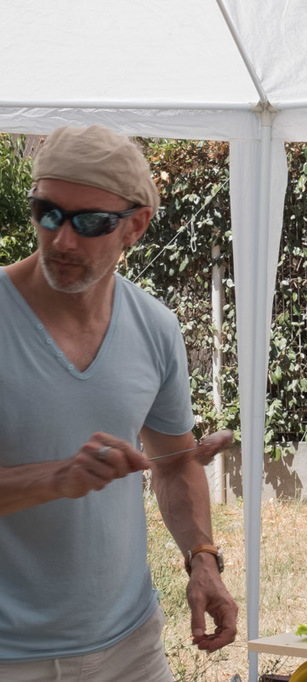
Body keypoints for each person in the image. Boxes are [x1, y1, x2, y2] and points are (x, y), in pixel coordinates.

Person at [0, 125, 238, 679]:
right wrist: (56, 477)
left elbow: (176, 465)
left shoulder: (155, 327)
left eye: (89, 222)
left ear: (135, 225)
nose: (62, 240)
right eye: (47, 213)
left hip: (131, 648)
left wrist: (203, 559)